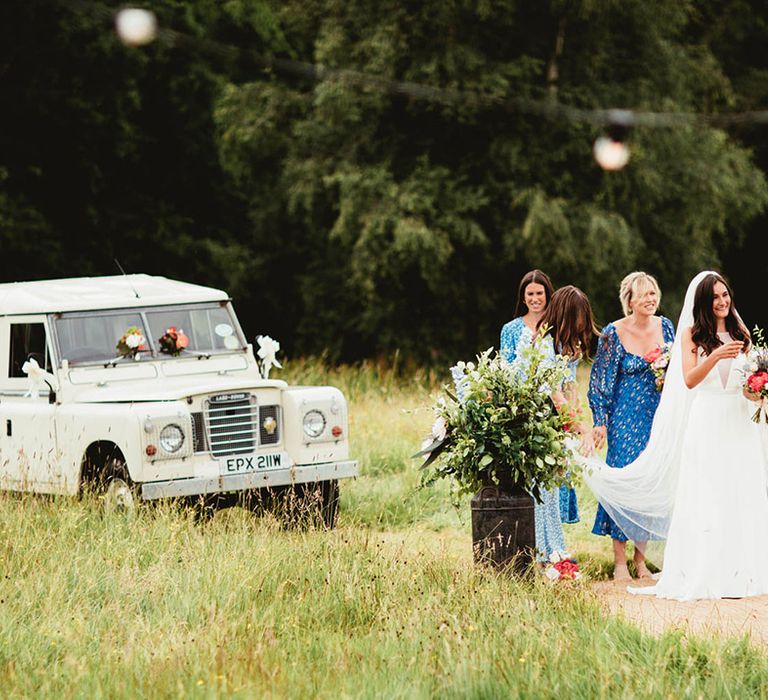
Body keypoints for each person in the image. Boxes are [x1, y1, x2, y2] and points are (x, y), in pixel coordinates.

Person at [582, 271, 768, 601]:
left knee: (739, 490)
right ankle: (689, 568)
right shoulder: (691, 334)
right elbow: (689, 380)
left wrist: (758, 390)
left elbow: (747, 380)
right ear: (703, 303)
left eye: (726, 295)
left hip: (738, 422)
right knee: (706, 493)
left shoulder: (742, 334)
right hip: (705, 419)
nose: (723, 302)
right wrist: (714, 356)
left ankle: (740, 569)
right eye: (715, 298)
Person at [588, 272, 675, 581]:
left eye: (653, 293)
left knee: (649, 483)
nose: (650, 299)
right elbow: (600, 382)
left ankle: (640, 562)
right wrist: (600, 422)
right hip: (624, 417)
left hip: (657, 416)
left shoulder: (665, 327)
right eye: (643, 295)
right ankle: (619, 562)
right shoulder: (613, 333)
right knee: (624, 483)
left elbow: (676, 372)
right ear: (630, 301)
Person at [499, 270, 578, 525]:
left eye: (539, 293)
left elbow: (568, 375)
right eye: (530, 294)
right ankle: (528, 533)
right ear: (523, 297)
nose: (535, 299)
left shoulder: (558, 327)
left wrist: (571, 414)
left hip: (555, 408)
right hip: (523, 407)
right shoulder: (511, 330)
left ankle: (553, 535)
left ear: (548, 295)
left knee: (555, 471)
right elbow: (507, 369)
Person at [530, 285, 599, 560]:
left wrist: (578, 419)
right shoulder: (544, 344)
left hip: (556, 423)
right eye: (577, 319)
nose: (581, 326)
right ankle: (541, 551)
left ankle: (555, 549)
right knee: (540, 489)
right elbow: (553, 392)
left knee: (552, 488)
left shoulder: (566, 347)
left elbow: (569, 388)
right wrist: (578, 426)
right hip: (538, 419)